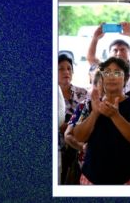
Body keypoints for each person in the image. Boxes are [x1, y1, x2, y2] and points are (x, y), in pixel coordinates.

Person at [72, 57, 130, 184]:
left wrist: (115, 116)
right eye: (107, 72)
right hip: (91, 177)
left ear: (126, 78)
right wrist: (95, 113)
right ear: (102, 77)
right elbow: (79, 136)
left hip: (126, 178)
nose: (112, 77)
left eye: (117, 73)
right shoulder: (90, 104)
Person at [87, 22, 130, 93]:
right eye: (115, 50)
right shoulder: (103, 67)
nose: (119, 53)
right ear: (109, 54)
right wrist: (95, 38)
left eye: (123, 50)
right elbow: (91, 58)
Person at [58, 51, 88, 184]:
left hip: (78, 147)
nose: (66, 72)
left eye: (69, 68)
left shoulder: (83, 93)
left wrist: (71, 126)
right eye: (61, 69)